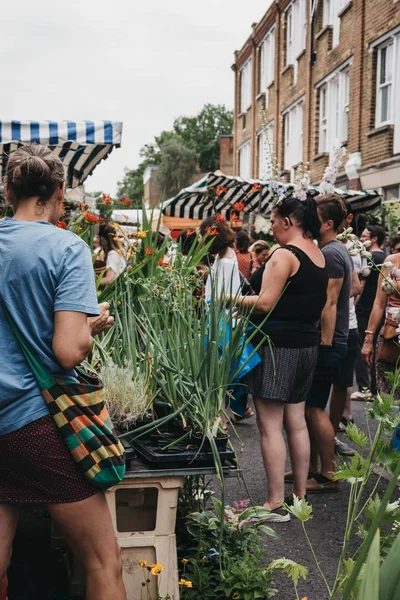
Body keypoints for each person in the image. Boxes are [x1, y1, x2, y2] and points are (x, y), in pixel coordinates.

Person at [0, 144, 126, 600]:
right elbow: (69, 352)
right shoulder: (66, 247)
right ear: (59, 191)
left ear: (8, 189)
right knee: (102, 561)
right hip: (35, 421)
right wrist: (89, 325)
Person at [238, 196, 328, 521]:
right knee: (297, 423)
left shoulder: (284, 255)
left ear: (288, 221)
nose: (271, 226)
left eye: (273, 220)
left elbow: (264, 303)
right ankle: (299, 497)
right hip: (307, 346)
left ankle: (275, 501)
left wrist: (229, 298)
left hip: (277, 347)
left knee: (270, 426)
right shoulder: (317, 252)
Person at [305, 195, 355, 493]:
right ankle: (311, 469)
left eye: (315, 216)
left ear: (328, 223)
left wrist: (325, 342)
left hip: (330, 342)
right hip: (330, 340)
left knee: (314, 407)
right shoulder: (333, 251)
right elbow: (355, 287)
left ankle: (328, 474)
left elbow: (332, 300)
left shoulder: (333, 254)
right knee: (310, 408)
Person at [200, 217, 255, 421]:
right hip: (229, 322)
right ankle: (235, 412)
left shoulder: (223, 261)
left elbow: (220, 298)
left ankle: (220, 422)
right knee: (227, 375)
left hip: (221, 323)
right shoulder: (226, 255)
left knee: (218, 378)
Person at [330, 201, 361, 456]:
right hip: (330, 326)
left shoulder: (347, 247)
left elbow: (356, 286)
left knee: (341, 384)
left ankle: (330, 436)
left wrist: (331, 298)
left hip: (346, 326)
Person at [353, 225, 386, 399]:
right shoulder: (385, 257)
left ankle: (364, 388)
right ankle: (374, 389)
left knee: (363, 347)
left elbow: (360, 286)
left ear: (373, 239)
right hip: (378, 309)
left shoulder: (370, 257)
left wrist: (353, 306)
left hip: (366, 307)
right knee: (374, 348)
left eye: (364, 236)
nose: (360, 238)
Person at [361, 252, 400, 398]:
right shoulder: (392, 262)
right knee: (394, 397)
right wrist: (368, 339)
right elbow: (379, 303)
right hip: (392, 338)